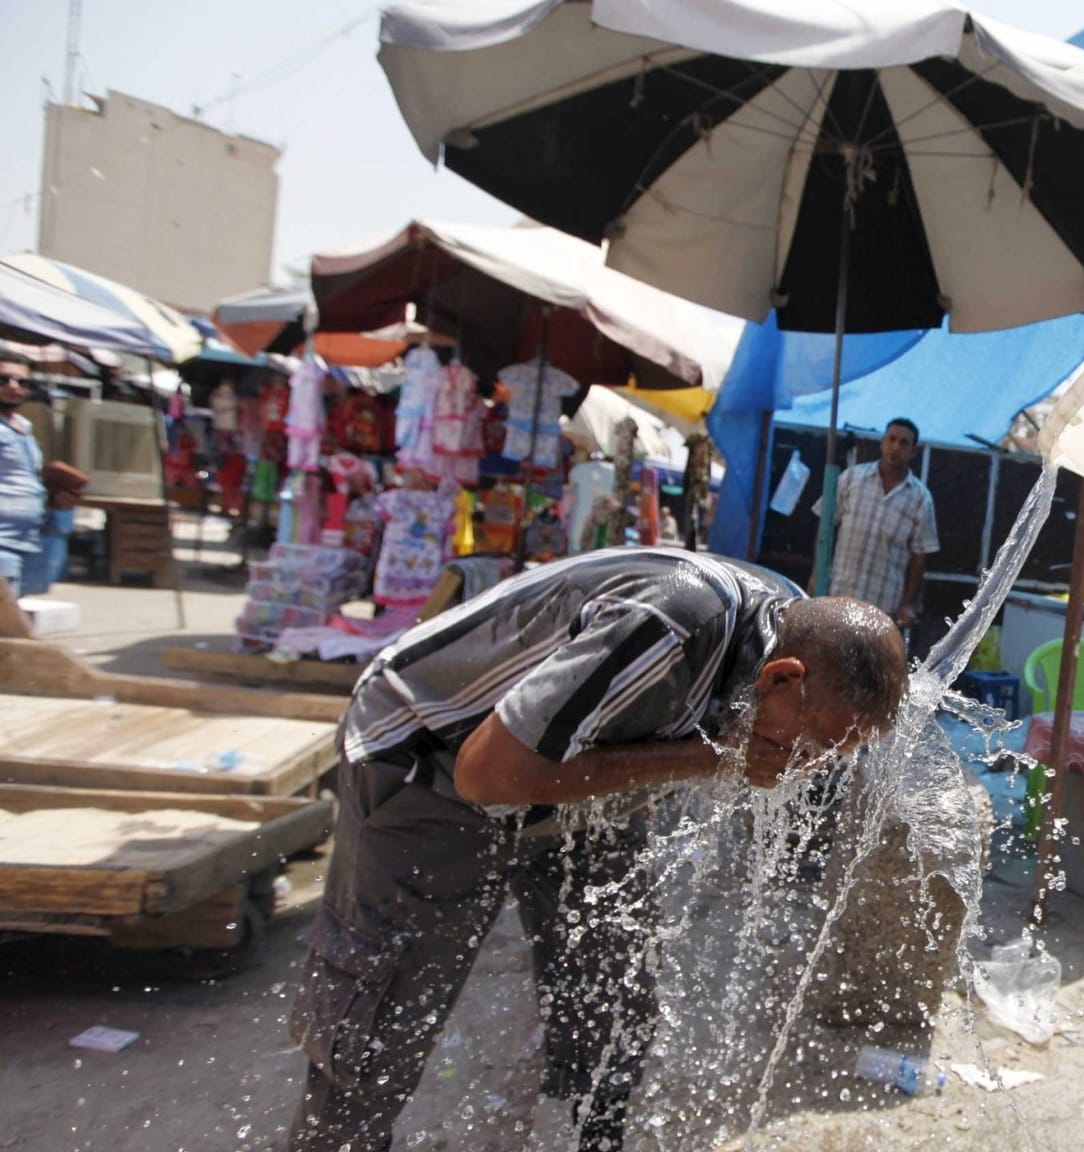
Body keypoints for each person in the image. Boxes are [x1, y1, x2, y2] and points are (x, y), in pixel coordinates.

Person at [288, 547, 908, 1152]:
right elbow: (486, 775)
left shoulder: (796, 638)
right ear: (782, 678)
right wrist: (708, 758)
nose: (797, 768)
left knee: (613, 994)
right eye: (803, 748)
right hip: (429, 759)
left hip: (566, 772)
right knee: (385, 1020)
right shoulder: (672, 624)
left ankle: (596, 1132)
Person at [819, 417, 939, 630]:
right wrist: (816, 576)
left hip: (883, 606)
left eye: (904, 443)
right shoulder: (851, 479)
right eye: (891, 439)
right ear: (882, 443)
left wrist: (907, 604)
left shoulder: (921, 498)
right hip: (838, 594)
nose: (896, 447)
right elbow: (824, 528)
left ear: (913, 451)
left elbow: (920, 557)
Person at [0, 349, 46, 596]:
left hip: (26, 540)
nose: (13, 386)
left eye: (21, 381)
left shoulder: (23, 426)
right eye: (3, 379)